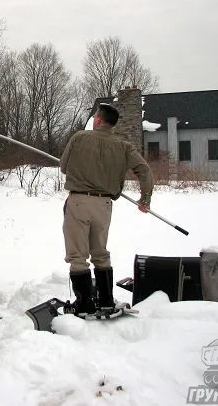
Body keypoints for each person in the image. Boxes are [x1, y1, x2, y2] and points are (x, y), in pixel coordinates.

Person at [59, 103, 154, 315]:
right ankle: (106, 301)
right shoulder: (124, 146)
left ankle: (84, 304)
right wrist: (145, 199)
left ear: (99, 120)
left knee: (78, 257)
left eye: (95, 117)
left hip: (78, 203)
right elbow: (145, 171)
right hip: (104, 205)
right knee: (100, 254)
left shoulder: (79, 137)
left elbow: (64, 167)